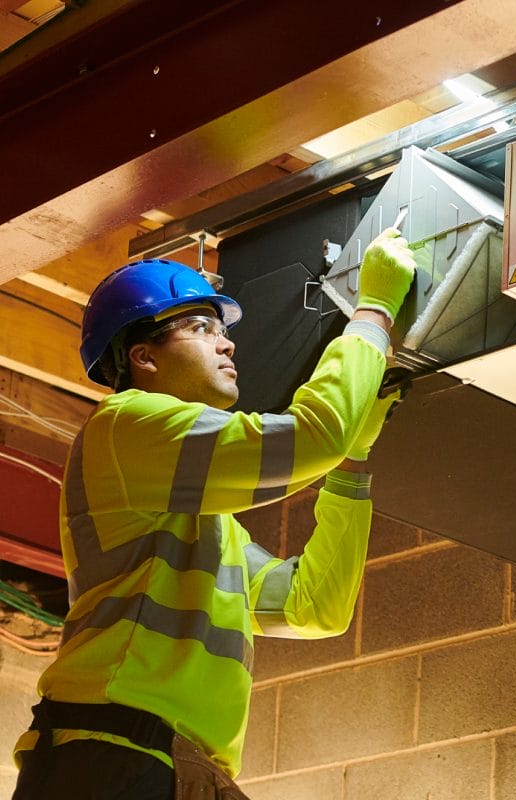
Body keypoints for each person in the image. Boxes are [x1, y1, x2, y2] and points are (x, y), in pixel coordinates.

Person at [12, 227, 416, 800]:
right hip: (111, 758)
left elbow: (313, 608)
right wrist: (372, 310)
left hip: (176, 767)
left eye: (223, 331)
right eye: (201, 329)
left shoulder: (203, 525)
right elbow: (311, 437)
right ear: (143, 357)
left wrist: (351, 463)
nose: (227, 345)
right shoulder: (123, 424)